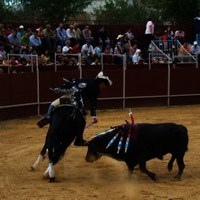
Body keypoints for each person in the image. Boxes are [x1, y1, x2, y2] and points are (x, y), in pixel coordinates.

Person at [37, 71, 112, 146]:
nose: (104, 87)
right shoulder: (96, 89)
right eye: (105, 85)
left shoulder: (84, 79)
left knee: (53, 104)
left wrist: (60, 88)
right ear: (101, 83)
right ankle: (79, 140)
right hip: (78, 103)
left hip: (68, 98)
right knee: (83, 120)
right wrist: (94, 116)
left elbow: (71, 82)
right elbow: (93, 102)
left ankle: (48, 116)